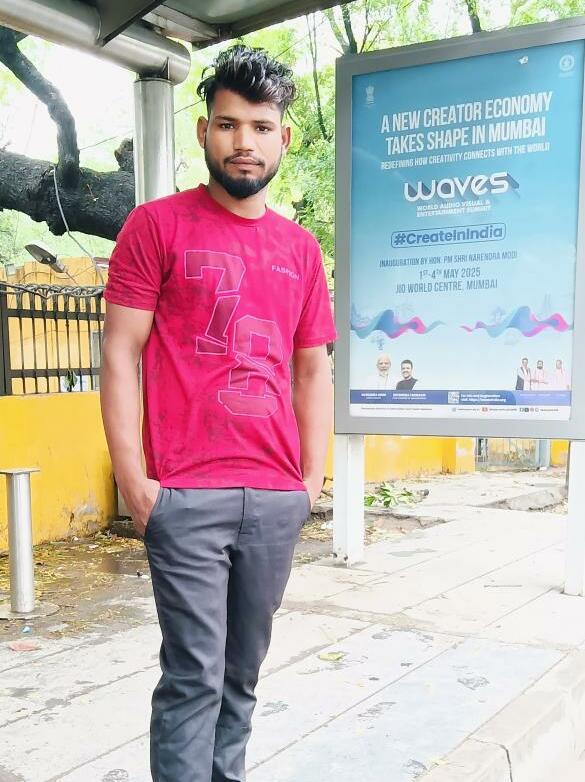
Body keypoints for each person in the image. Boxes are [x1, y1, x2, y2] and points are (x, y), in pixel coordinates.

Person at [100, 45, 337, 782]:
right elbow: (120, 354)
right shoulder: (155, 226)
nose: (244, 142)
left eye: (261, 127)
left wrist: (309, 483)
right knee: (192, 677)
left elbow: (311, 370)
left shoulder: (301, 250)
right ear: (204, 131)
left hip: (274, 496)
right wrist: (135, 482)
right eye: (229, 125)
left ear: (283, 138)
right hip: (185, 492)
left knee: (241, 678)